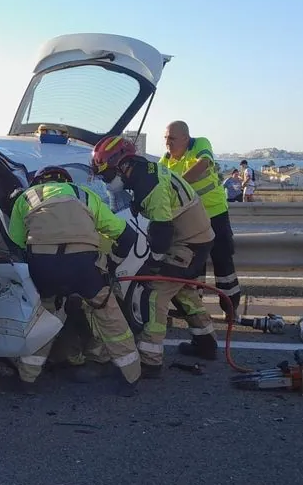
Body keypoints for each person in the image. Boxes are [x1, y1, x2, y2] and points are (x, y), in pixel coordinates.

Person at [7, 166, 141, 396]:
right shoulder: (84, 194)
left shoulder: (25, 198)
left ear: (38, 181)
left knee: (43, 318)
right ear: (66, 181)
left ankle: (27, 379)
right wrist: (109, 266)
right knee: (109, 316)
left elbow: (16, 244)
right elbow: (127, 235)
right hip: (83, 266)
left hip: (44, 267)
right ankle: (130, 377)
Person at [91, 135, 217, 377]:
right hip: (193, 236)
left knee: (156, 293)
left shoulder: (149, 185)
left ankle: (150, 360)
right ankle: (206, 343)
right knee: (181, 289)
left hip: (188, 242)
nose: (106, 182)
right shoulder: (142, 173)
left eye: (107, 176)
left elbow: (162, 230)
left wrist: (154, 264)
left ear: (123, 165)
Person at [160, 121, 242, 317]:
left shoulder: (199, 145)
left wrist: (178, 184)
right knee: (194, 265)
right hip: (189, 221)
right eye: (165, 138)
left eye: (171, 138)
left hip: (215, 213)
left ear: (185, 139)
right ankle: (195, 312)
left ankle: (231, 308)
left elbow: (203, 164)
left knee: (223, 262)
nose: (167, 143)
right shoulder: (164, 162)